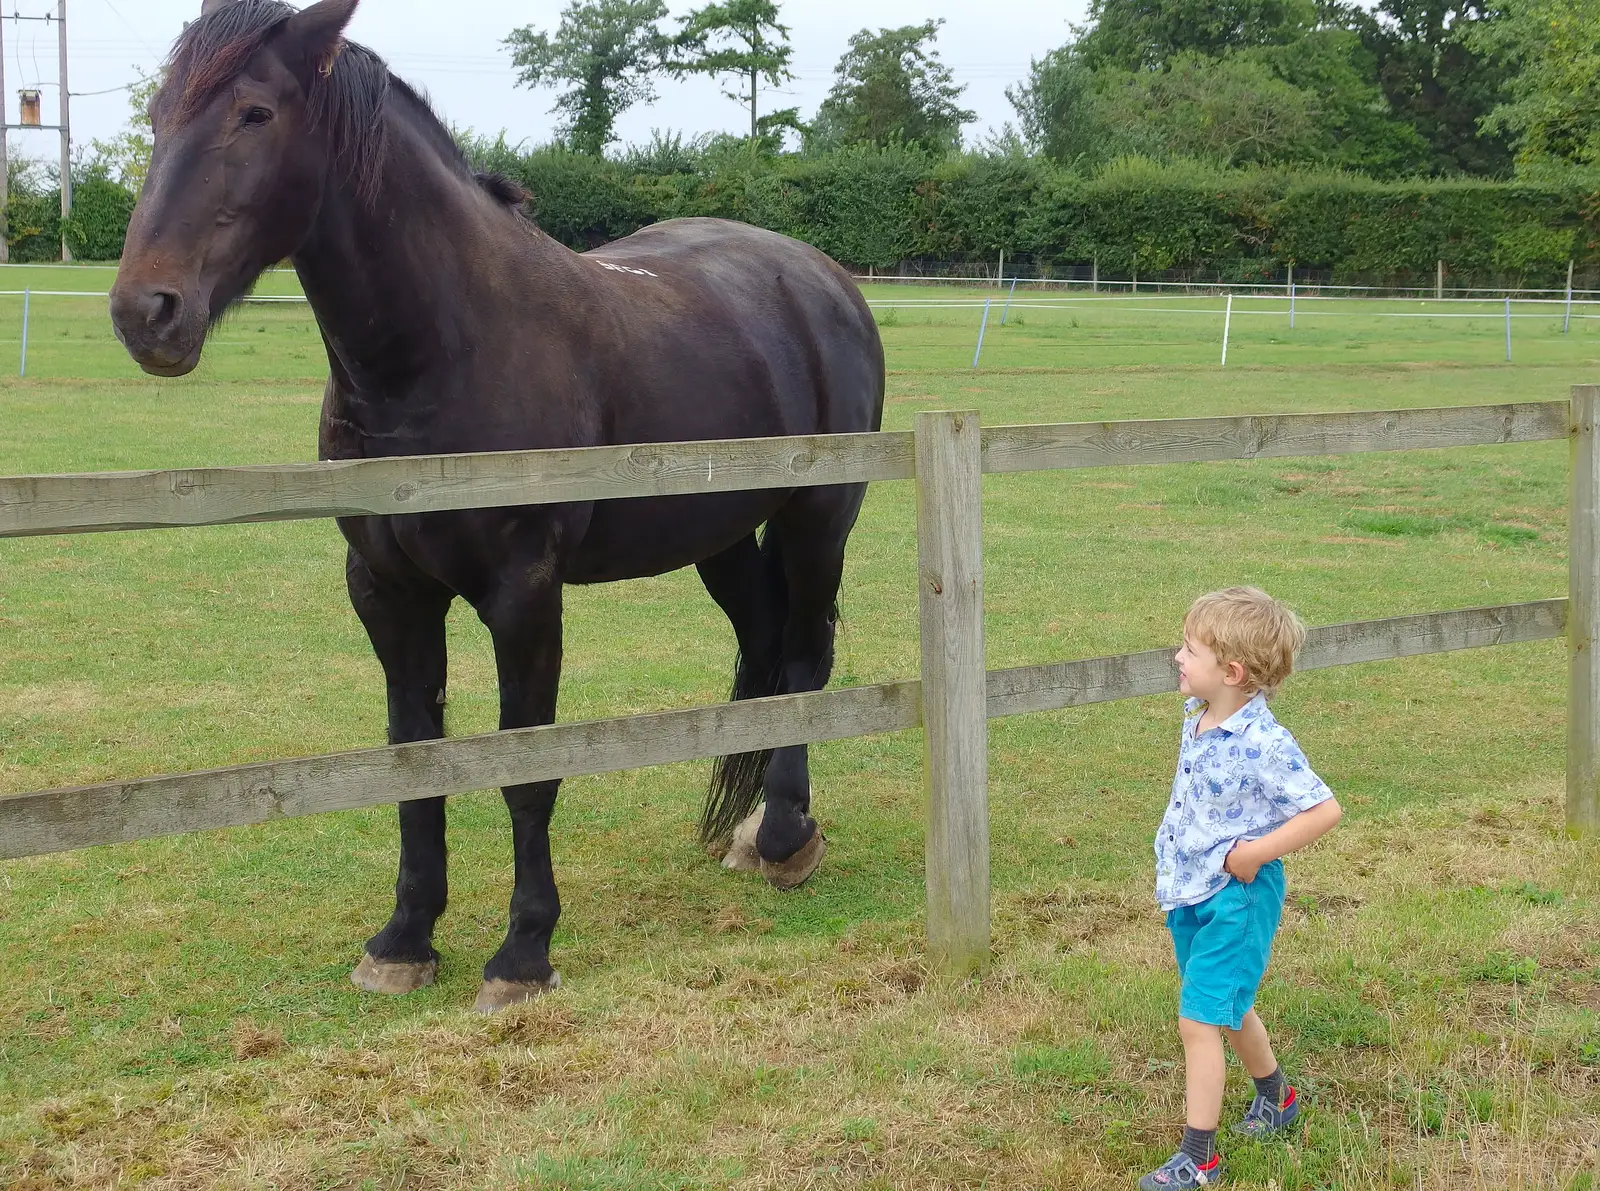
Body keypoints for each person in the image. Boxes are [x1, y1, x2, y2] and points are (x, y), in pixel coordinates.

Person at [1138, 587, 1343, 1190]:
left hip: (1237, 897)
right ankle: (1277, 1098)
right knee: (1226, 1008)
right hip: (1192, 891)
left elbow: (1324, 809)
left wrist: (1253, 854)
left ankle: (1198, 1157)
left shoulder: (1264, 741)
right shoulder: (1198, 717)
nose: (1177, 656)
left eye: (1189, 649)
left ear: (1230, 672)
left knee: (1198, 1021)